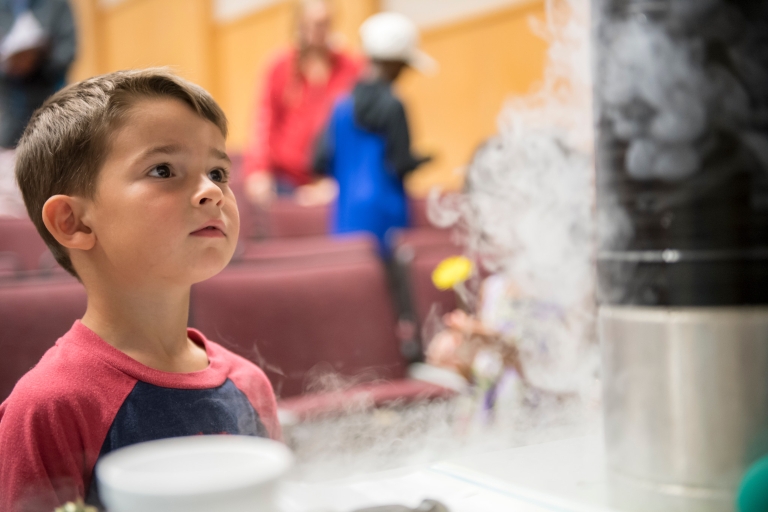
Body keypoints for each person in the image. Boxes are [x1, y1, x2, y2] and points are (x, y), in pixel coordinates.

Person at [0, 69, 280, 511]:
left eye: (218, 171)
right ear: (73, 222)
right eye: (164, 170)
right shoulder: (49, 407)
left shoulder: (249, 384)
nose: (211, 191)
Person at [313, 12, 434, 257]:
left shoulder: (341, 105)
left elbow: (319, 160)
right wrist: (423, 159)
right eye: (402, 66)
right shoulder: (394, 105)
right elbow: (400, 163)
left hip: (346, 218)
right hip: (388, 217)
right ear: (393, 64)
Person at [243, 0, 362, 206]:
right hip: (285, 181)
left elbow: (357, 130)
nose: (319, 30)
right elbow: (264, 121)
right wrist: (258, 171)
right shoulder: (280, 67)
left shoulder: (350, 68)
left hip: (332, 182)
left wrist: (339, 182)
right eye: (313, 23)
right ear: (300, 24)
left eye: (325, 23)